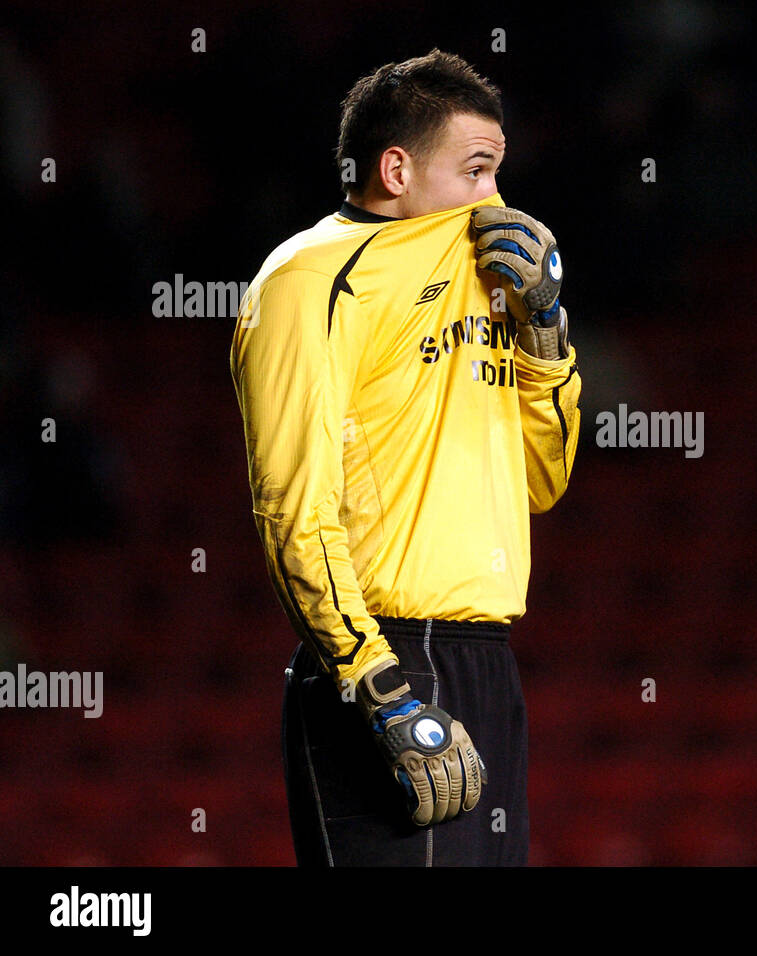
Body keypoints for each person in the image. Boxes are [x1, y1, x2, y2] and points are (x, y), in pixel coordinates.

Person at [229, 48, 581, 866]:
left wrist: (546, 335)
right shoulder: (308, 279)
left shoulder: (489, 281)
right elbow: (292, 506)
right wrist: (381, 692)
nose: (496, 199)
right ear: (395, 168)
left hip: (487, 661)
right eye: (476, 171)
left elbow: (542, 481)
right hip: (384, 658)